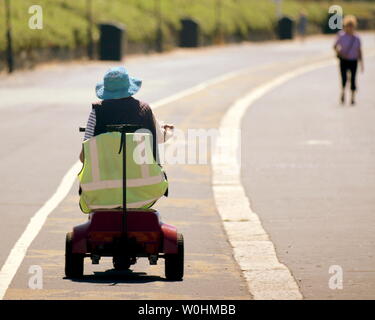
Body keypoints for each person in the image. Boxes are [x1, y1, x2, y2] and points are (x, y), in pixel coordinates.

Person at [80, 66, 173, 162]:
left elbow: (83, 157)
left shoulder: (97, 111)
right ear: (129, 87)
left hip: (105, 175)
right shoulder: (145, 109)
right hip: (143, 174)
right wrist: (168, 131)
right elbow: (160, 137)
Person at [334, 15, 364, 105]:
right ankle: (343, 91)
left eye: (352, 26)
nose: (350, 28)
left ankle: (352, 97)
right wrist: (340, 53)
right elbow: (335, 46)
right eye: (348, 26)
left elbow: (359, 50)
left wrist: (361, 63)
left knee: (353, 78)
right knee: (344, 78)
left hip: (353, 60)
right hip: (344, 60)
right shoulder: (341, 35)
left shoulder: (357, 38)